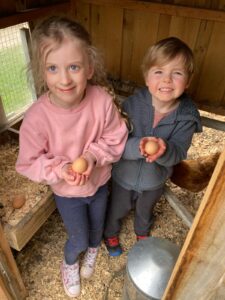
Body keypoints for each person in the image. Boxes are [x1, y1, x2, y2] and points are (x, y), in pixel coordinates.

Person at [16, 16, 128, 298]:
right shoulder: (37, 118)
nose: (64, 79)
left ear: (89, 68)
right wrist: (61, 169)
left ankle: (93, 251)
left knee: (97, 227)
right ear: (42, 72)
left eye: (74, 67)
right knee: (77, 236)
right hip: (67, 193)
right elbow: (28, 162)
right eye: (53, 68)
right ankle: (70, 262)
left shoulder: (101, 101)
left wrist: (92, 157)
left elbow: (117, 136)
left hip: (100, 182)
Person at [104, 37, 202, 256]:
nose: (167, 79)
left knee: (145, 210)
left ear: (187, 81)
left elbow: (178, 152)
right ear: (147, 78)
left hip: (155, 180)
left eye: (177, 73)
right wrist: (135, 146)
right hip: (124, 176)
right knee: (117, 208)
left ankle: (142, 233)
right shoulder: (131, 105)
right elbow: (115, 140)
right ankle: (110, 232)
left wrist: (164, 150)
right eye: (158, 72)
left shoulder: (186, 117)